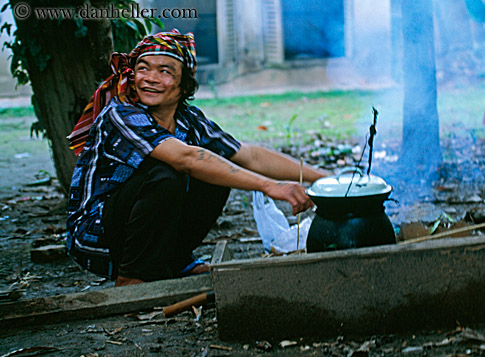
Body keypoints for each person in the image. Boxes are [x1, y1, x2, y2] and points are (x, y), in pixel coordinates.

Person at [66, 29, 327, 287]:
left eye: (165, 71)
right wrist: (270, 186)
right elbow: (186, 158)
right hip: (97, 234)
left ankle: (175, 260)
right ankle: (133, 276)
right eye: (143, 68)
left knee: (217, 170)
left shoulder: (189, 120)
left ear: (184, 85)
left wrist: (326, 179)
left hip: (143, 228)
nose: (150, 79)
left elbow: (250, 155)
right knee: (166, 174)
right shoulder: (121, 114)